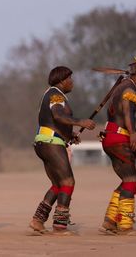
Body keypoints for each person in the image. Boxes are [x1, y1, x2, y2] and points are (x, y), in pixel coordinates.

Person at [28, 66, 95, 235]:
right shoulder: (56, 94)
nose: (72, 82)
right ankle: (59, 226)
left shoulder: (52, 94)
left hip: (45, 141)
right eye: (70, 79)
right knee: (68, 182)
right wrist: (81, 122)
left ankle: (38, 220)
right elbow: (58, 116)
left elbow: (54, 121)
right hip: (51, 143)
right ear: (61, 80)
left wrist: (69, 135)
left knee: (58, 184)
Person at [98, 50, 136, 236]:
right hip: (119, 137)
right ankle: (125, 226)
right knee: (131, 180)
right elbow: (127, 111)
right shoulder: (130, 90)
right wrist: (133, 134)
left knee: (126, 179)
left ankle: (110, 220)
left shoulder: (121, 86)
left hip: (110, 137)